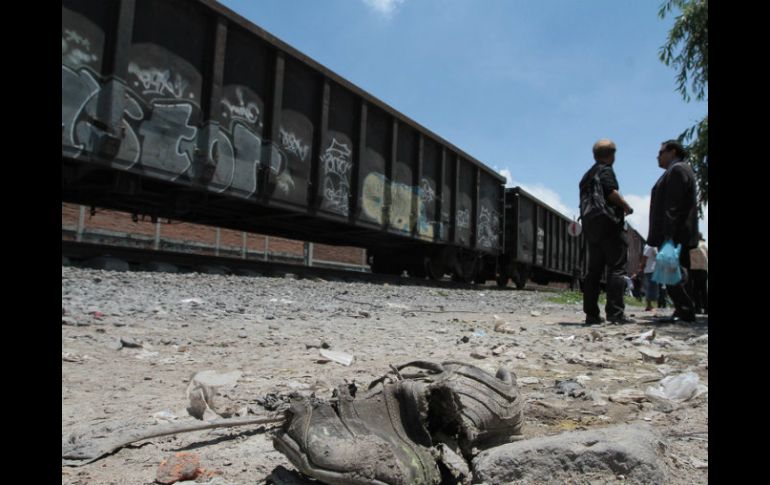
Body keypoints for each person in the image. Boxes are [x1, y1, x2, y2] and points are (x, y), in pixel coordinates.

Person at [579, 139, 635, 324]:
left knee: (593, 271)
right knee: (617, 268)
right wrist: (627, 207)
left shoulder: (587, 175)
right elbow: (611, 193)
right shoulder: (605, 170)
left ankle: (591, 314)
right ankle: (615, 313)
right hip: (609, 225)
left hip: (592, 227)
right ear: (612, 155)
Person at [647, 140, 699, 323]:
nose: (657, 156)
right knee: (675, 270)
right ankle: (683, 309)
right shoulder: (678, 170)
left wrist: (668, 234)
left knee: (674, 271)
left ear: (673, 152)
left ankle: (685, 310)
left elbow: (673, 205)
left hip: (675, 232)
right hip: (678, 231)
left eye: (661, 152)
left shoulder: (677, 170)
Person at [688, 233, 708, 314]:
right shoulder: (705, 245)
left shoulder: (693, 245)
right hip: (704, 269)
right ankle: (706, 308)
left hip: (695, 269)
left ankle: (698, 308)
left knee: (695, 290)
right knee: (704, 289)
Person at [639, 244, 660, 311]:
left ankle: (650, 305)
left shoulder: (653, 246)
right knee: (651, 288)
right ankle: (650, 306)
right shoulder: (650, 246)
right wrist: (641, 268)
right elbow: (645, 257)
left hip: (653, 269)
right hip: (650, 270)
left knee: (652, 288)